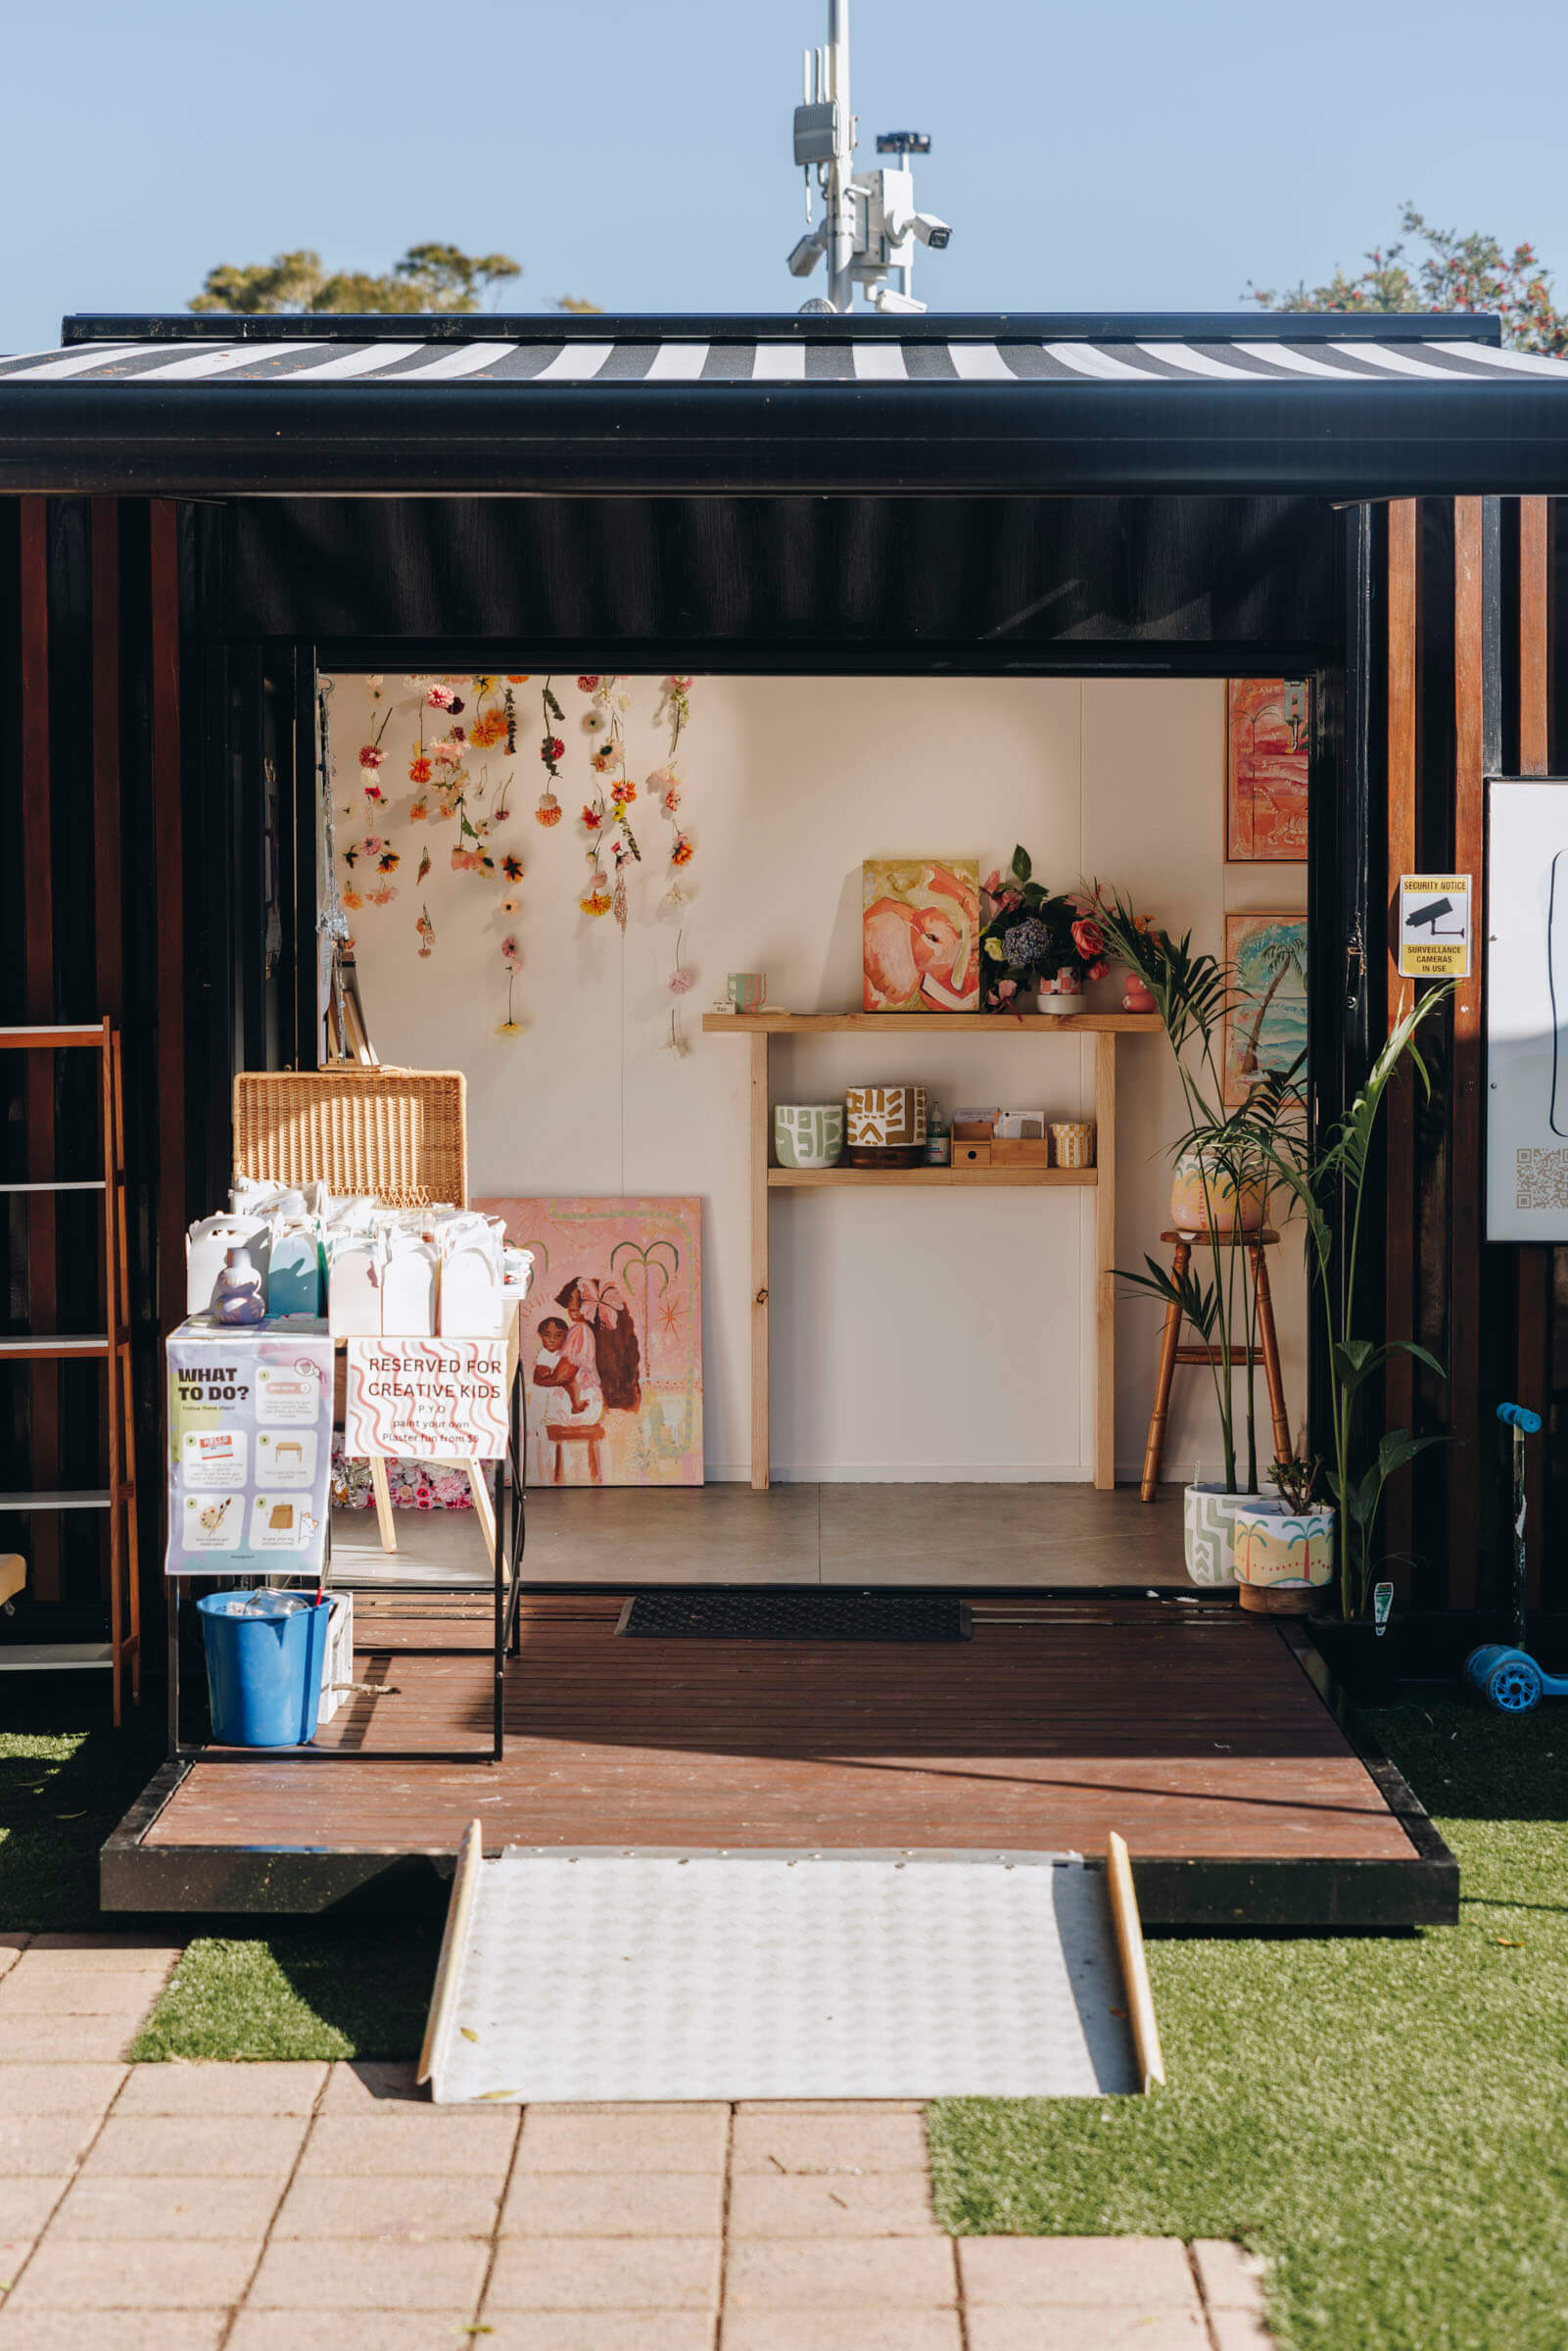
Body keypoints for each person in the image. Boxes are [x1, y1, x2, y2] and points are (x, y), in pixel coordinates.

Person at [532, 1312, 602, 1482]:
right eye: (547, 1336)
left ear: (564, 1337)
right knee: (567, 1383)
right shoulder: (544, 1354)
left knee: (570, 1382)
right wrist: (545, 1377)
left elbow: (560, 1376)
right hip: (555, 1387)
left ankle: (575, 1404)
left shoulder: (566, 1350)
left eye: (558, 1336)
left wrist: (552, 1378)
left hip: (562, 1386)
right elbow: (541, 1374)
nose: (551, 1340)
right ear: (541, 1336)